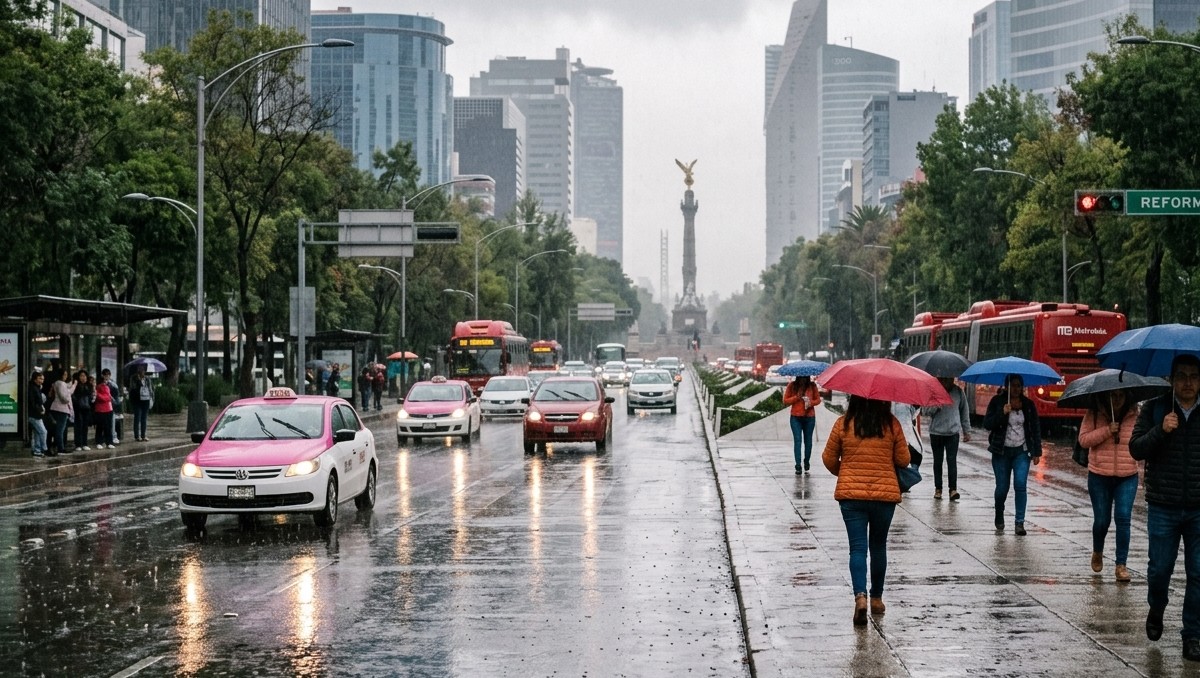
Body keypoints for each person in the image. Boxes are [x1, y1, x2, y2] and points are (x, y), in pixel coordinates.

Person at [1130, 354, 1200, 660]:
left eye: (1194, 376)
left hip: (1199, 507)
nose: (1188, 382)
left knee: (1198, 573)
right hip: (1163, 506)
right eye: (1182, 376)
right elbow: (1136, 448)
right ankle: (1157, 607)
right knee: (1160, 570)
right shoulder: (1156, 408)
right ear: (1171, 380)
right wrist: (1161, 429)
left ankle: (1193, 635)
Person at [822, 395, 910, 626]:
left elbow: (828, 458)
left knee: (858, 548)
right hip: (884, 496)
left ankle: (860, 597)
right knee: (878, 546)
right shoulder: (891, 424)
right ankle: (877, 599)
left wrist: (847, 473)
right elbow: (904, 459)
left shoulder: (843, 423)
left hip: (851, 497)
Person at [1079, 388, 1139, 583]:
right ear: (1106, 395)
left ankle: (1121, 565)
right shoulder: (1095, 413)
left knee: (1123, 518)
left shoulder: (1134, 414)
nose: (1118, 399)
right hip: (1099, 475)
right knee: (1102, 521)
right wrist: (1107, 430)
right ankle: (1098, 550)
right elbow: (1083, 440)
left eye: (1122, 395)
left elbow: (1141, 442)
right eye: (1114, 395)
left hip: (1127, 475)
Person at [982, 374, 1042, 535]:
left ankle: (1019, 522)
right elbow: (987, 424)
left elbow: (1035, 428)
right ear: (1006, 386)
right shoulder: (997, 401)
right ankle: (999, 512)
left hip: (1022, 451)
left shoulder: (1028, 405)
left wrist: (1037, 452)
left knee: (1020, 485)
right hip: (1001, 452)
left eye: (1018, 386)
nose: (1016, 389)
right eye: (1013, 385)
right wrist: (1002, 413)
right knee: (1002, 487)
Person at [923, 377, 972, 501]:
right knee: (938, 462)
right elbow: (925, 410)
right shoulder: (934, 392)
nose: (948, 381)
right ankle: (938, 489)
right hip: (936, 433)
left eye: (950, 379)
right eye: (945, 379)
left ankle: (953, 489)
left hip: (953, 433)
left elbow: (964, 411)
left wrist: (967, 431)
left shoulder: (958, 392)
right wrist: (936, 406)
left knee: (952, 461)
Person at [782, 376, 822, 475]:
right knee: (798, 440)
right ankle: (798, 465)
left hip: (809, 418)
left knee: (808, 442)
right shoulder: (792, 385)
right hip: (796, 418)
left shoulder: (812, 386)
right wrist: (797, 397)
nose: (804, 379)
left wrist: (810, 402)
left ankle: (806, 461)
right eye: (802, 377)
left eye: (805, 377)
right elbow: (785, 400)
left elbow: (818, 400)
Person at [47, 367, 75, 455]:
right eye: (65, 374)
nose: (66, 376)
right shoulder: (61, 383)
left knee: (55, 429)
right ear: (61, 375)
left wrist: (73, 384)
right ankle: (60, 448)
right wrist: (68, 398)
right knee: (60, 430)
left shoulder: (56, 383)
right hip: (61, 409)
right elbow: (65, 397)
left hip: (55, 407)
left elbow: (68, 388)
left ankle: (53, 446)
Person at [127, 366, 154, 442]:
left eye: (143, 370)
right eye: (140, 370)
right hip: (137, 400)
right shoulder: (133, 378)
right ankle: (137, 436)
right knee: (137, 418)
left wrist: (152, 398)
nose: (141, 372)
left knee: (144, 418)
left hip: (146, 400)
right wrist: (138, 381)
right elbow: (132, 389)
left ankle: (143, 435)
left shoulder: (147, 379)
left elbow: (151, 389)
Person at [71, 370, 94, 451]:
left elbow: (91, 397)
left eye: (84, 376)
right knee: (78, 426)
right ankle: (78, 444)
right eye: (81, 376)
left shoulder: (89, 385)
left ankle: (84, 443)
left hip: (86, 408)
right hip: (78, 408)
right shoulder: (76, 385)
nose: (83, 378)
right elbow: (73, 396)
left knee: (85, 426)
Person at [27, 370, 48, 458]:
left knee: (37, 432)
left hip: (36, 414)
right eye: (39, 378)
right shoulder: (33, 388)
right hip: (34, 414)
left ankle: (37, 450)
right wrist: (39, 409)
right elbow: (33, 402)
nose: (41, 380)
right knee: (43, 431)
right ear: (34, 379)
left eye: (42, 379)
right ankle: (43, 448)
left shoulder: (37, 388)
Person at [92, 377, 114, 449]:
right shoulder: (99, 387)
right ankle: (105, 442)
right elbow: (106, 397)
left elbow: (107, 397)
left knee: (104, 427)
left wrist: (102, 396)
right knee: (102, 427)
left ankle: (104, 442)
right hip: (102, 409)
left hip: (105, 409)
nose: (105, 382)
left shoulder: (106, 387)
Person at [100, 368, 121, 445]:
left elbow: (116, 395)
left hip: (111, 406)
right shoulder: (101, 384)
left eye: (108, 375)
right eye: (105, 375)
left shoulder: (113, 384)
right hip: (103, 406)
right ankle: (104, 437)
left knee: (112, 422)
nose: (107, 376)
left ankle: (113, 436)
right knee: (103, 423)